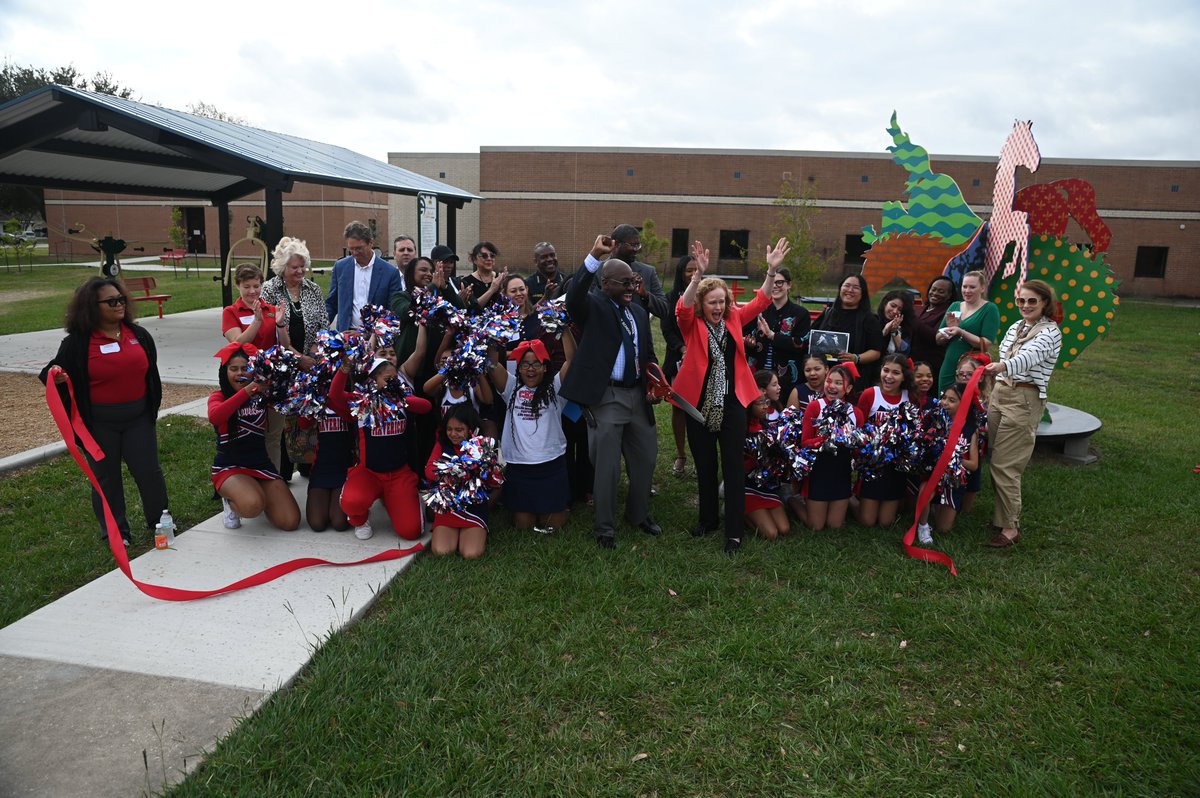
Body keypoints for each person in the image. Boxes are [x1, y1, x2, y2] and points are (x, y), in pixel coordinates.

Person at [675, 237, 789, 553]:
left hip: (733, 403)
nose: (718, 307)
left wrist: (770, 271)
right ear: (703, 304)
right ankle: (708, 519)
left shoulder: (734, 319)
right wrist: (697, 277)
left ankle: (734, 532)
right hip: (698, 404)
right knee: (706, 464)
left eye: (722, 301)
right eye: (712, 302)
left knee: (733, 467)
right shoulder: (692, 323)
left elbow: (761, 302)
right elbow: (681, 309)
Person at [40, 277, 168, 547]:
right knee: (106, 477)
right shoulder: (77, 343)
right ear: (91, 307)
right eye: (111, 301)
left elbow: (151, 376)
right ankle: (116, 531)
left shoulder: (139, 335)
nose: (119, 304)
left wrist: (150, 409)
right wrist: (57, 376)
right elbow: (50, 372)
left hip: (138, 418)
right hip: (99, 423)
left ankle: (161, 522)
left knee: (149, 472)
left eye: (121, 299)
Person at [559, 234, 662, 548]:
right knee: (606, 467)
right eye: (624, 284)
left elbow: (647, 353)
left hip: (636, 395)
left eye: (633, 282)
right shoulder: (593, 305)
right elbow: (574, 295)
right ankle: (605, 527)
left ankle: (638, 513)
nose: (631, 289)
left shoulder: (640, 313)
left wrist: (655, 380)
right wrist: (593, 256)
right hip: (606, 396)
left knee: (646, 458)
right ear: (606, 284)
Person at [982, 279, 1062, 547]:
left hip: (1024, 399)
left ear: (1044, 304)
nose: (1025, 306)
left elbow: (1026, 359)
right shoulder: (1017, 326)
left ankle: (1010, 527)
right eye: (1021, 301)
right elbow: (1006, 349)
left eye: (1032, 301)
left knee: (1006, 464)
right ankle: (1001, 516)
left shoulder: (1051, 333)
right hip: (1000, 393)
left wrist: (1001, 366)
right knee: (995, 456)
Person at [327, 356, 433, 541]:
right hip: (369, 473)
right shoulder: (363, 403)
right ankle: (360, 520)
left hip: (399, 474)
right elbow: (335, 395)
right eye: (387, 378)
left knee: (411, 532)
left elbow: (426, 407)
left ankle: (402, 500)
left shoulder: (402, 401)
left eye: (395, 379)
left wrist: (401, 398)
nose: (392, 382)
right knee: (352, 501)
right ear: (374, 380)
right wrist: (344, 368)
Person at [208, 343, 301, 532]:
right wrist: (250, 389)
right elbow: (215, 416)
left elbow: (290, 403)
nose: (239, 373)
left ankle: (257, 491)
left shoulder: (262, 395)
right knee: (252, 506)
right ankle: (232, 501)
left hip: (260, 465)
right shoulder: (218, 397)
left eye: (245, 368)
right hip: (230, 467)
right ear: (224, 372)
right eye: (234, 369)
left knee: (290, 522)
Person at [493, 336, 576, 534]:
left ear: (545, 367)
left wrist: (564, 329)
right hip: (520, 468)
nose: (531, 369)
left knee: (553, 524)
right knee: (523, 525)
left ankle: (557, 507)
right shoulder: (511, 387)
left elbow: (572, 360)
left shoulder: (555, 387)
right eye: (526, 364)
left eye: (536, 364)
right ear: (519, 368)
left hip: (551, 466)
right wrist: (493, 336)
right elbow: (491, 363)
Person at [222, 263, 286, 473]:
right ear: (238, 286)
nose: (252, 291)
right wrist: (256, 322)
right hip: (245, 381)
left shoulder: (272, 309)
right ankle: (249, 479)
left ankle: (273, 479)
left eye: (256, 286)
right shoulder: (231, 312)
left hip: (272, 381)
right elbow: (237, 344)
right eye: (247, 286)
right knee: (248, 433)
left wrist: (280, 325)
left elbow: (284, 345)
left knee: (273, 435)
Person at [914, 382, 980, 545]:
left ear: (963, 403)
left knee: (944, 529)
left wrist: (951, 458)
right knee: (924, 491)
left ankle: (937, 506)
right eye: (944, 398)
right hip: (932, 474)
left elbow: (973, 465)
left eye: (952, 400)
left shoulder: (970, 428)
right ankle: (922, 525)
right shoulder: (933, 420)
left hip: (953, 481)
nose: (945, 403)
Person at [801, 363, 865, 531]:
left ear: (848, 388)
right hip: (819, 470)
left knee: (834, 526)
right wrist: (827, 439)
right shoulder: (815, 406)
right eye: (829, 381)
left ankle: (848, 498)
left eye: (838, 383)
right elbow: (805, 442)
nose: (832, 386)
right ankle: (795, 501)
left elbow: (860, 448)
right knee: (816, 526)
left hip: (841, 472)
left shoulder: (856, 413)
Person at [854, 353, 914, 527]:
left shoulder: (908, 397)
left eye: (896, 373)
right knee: (867, 521)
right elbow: (858, 427)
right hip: (873, 465)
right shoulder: (870, 394)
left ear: (904, 377)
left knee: (886, 523)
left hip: (896, 466)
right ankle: (851, 499)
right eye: (885, 370)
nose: (888, 376)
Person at [425, 404, 491, 558]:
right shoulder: (442, 444)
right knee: (442, 552)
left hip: (473, 509)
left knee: (471, 553)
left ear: (470, 428)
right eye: (449, 429)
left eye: (459, 430)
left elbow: (489, 478)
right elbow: (429, 470)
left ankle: (475, 531)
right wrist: (451, 474)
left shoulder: (481, 447)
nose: (453, 434)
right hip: (449, 508)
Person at [744, 267, 811, 400]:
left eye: (779, 282)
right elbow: (746, 338)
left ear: (789, 285)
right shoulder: (759, 311)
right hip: (759, 376)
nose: (775, 286)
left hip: (787, 378)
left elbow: (801, 344)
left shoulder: (801, 314)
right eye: (772, 282)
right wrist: (749, 344)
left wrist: (773, 336)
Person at [326, 221, 403, 332]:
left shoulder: (390, 272)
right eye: (351, 249)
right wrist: (320, 328)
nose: (354, 252)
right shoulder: (341, 267)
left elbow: (392, 311)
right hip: (346, 337)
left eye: (359, 248)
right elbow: (332, 303)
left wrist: (366, 334)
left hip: (375, 338)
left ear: (370, 243)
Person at [812, 274, 884, 392]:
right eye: (847, 286)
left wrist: (856, 358)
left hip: (853, 381)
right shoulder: (828, 313)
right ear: (840, 289)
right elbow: (812, 338)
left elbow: (876, 351)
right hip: (825, 379)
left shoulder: (870, 319)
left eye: (856, 287)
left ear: (863, 293)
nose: (850, 290)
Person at [261, 237, 328, 362]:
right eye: (295, 267)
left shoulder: (313, 289)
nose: (300, 271)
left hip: (312, 360)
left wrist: (312, 355)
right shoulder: (270, 289)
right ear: (283, 267)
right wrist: (299, 359)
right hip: (281, 360)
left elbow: (323, 325)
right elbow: (267, 329)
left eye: (302, 266)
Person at [661, 254, 697, 476]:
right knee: (680, 408)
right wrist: (684, 350)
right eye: (688, 270)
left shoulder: (706, 296)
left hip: (703, 361)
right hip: (679, 359)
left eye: (696, 270)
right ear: (680, 273)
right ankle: (681, 455)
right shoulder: (670, 297)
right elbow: (667, 329)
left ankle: (700, 454)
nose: (693, 274)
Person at [936, 269, 1000, 391]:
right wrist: (948, 331)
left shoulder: (989, 309)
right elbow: (938, 338)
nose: (967, 291)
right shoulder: (955, 306)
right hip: (949, 364)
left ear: (982, 288)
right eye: (964, 286)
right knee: (945, 401)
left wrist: (961, 331)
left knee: (967, 403)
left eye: (972, 287)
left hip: (970, 368)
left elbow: (986, 343)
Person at [744, 394, 790, 540]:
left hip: (767, 487)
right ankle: (739, 511)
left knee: (784, 529)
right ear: (749, 405)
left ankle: (759, 514)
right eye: (760, 403)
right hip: (748, 486)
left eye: (766, 402)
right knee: (771, 534)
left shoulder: (767, 426)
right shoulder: (740, 429)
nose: (765, 406)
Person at [603, 224, 669, 322]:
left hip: (639, 336)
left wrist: (645, 295)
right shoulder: (599, 271)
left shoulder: (648, 272)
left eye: (638, 245)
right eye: (633, 245)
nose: (637, 249)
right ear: (616, 244)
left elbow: (665, 310)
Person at [912, 275, 956, 376]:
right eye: (933, 289)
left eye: (941, 291)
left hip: (932, 366)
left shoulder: (949, 313)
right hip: (913, 362)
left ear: (949, 295)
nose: (935, 293)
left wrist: (913, 320)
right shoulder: (920, 309)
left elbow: (935, 337)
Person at [460, 241, 507, 308]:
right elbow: (473, 309)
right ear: (474, 259)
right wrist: (492, 290)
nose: (489, 259)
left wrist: (504, 288)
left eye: (492, 256)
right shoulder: (466, 282)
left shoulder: (500, 279)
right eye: (484, 256)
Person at [877, 290, 915, 356]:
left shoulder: (904, 326)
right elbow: (871, 346)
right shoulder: (874, 320)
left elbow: (905, 352)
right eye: (893, 306)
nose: (895, 311)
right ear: (885, 303)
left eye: (899, 309)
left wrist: (894, 331)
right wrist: (885, 331)